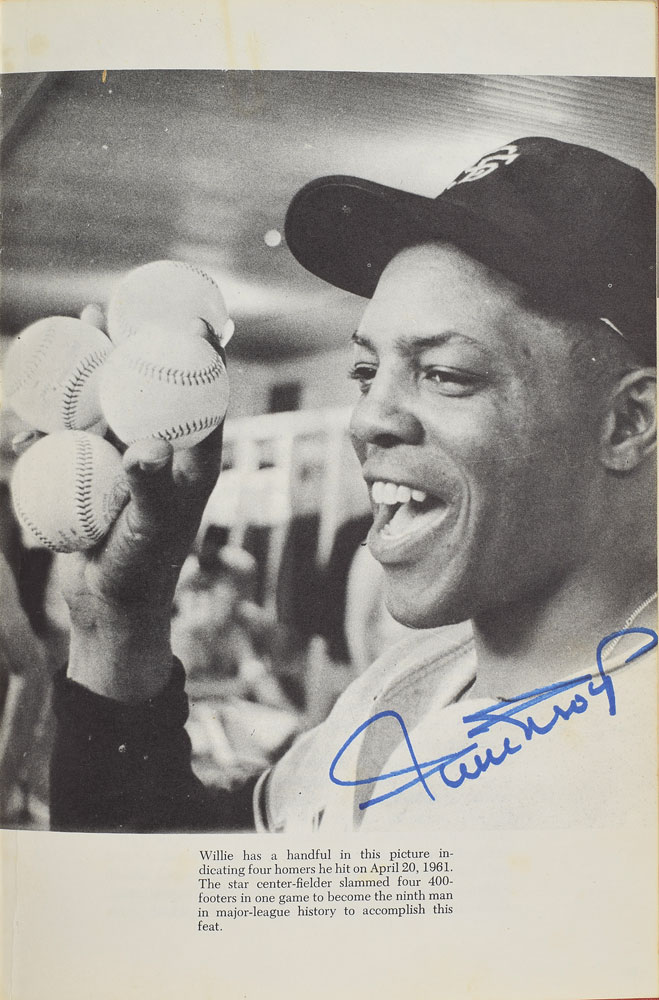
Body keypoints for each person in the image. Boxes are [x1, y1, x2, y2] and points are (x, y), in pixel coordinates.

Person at [46, 136, 656, 833]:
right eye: (366, 374)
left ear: (626, 421)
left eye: (446, 374)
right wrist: (119, 621)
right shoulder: (407, 682)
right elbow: (159, 880)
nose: (367, 420)